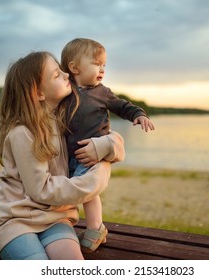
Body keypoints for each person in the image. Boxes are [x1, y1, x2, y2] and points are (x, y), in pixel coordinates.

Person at [0, 51, 125, 260]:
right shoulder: (22, 132)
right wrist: (93, 182)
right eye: (56, 75)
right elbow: (41, 190)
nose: (66, 75)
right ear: (38, 93)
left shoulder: (65, 119)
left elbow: (115, 143)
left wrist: (103, 146)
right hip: (14, 220)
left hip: (56, 218)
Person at [61, 38, 155, 253]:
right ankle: (66, 225)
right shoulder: (65, 91)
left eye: (104, 65)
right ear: (74, 68)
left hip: (94, 153)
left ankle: (95, 229)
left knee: (90, 192)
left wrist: (139, 114)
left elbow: (123, 106)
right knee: (68, 191)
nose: (102, 69)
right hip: (68, 155)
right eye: (96, 64)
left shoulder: (103, 93)